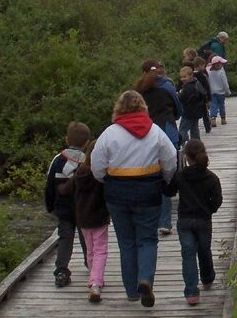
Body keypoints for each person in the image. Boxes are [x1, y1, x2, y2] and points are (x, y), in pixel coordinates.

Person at [92, 90, 177, 307]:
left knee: (126, 242)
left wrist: (107, 181)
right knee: (147, 239)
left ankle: (131, 290)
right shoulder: (155, 131)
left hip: (117, 193)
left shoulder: (109, 134)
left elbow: (97, 167)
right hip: (149, 192)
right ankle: (145, 278)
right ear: (143, 108)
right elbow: (170, 160)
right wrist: (164, 180)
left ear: (118, 109)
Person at [164, 139, 223, 306]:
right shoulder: (212, 178)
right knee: (204, 250)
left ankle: (191, 292)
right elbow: (217, 200)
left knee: (188, 254)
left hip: (185, 220)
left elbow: (169, 192)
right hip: (203, 220)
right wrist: (209, 210)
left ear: (186, 157)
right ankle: (207, 278)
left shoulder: (181, 175)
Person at [58, 137, 110, 303]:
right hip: (99, 217)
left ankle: (93, 273)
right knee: (100, 249)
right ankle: (95, 282)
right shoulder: (102, 175)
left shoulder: (79, 172)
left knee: (90, 249)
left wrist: (57, 188)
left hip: (82, 218)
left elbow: (65, 189)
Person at [136, 60, 181, 236]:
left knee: (147, 176)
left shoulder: (137, 90)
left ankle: (148, 220)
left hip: (145, 135)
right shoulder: (168, 87)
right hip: (167, 132)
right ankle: (165, 222)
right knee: (165, 177)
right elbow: (179, 110)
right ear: (160, 72)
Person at [44, 121, 90, 288]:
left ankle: (62, 270)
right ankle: (91, 264)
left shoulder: (58, 160)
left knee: (65, 238)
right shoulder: (87, 161)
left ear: (66, 139)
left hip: (63, 209)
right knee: (87, 238)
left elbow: (49, 185)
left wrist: (50, 205)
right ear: (86, 143)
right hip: (83, 208)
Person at [177, 66, 207, 145]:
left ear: (191, 76)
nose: (182, 79)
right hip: (196, 111)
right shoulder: (197, 83)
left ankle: (183, 142)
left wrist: (178, 94)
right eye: (181, 77)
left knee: (182, 129)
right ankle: (197, 143)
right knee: (194, 128)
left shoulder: (187, 87)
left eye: (184, 77)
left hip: (188, 112)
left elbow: (181, 98)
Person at [207, 55, 231, 126]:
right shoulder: (221, 73)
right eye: (221, 64)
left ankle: (213, 118)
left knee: (213, 105)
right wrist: (227, 91)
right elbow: (225, 83)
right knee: (221, 105)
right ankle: (223, 119)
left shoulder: (209, 72)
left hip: (212, 92)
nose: (222, 65)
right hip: (221, 93)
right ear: (217, 64)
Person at [192, 56, 212, 134]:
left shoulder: (191, 75)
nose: (204, 68)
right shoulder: (202, 76)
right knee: (205, 114)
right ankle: (207, 127)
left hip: (194, 99)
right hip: (203, 98)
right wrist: (209, 99)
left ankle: (194, 127)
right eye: (204, 66)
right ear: (200, 65)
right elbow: (207, 87)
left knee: (195, 114)